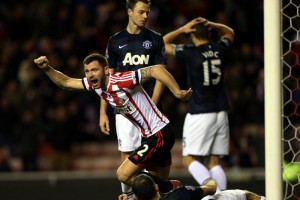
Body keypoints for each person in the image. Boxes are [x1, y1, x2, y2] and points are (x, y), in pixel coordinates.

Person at [33, 53, 191, 192]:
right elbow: (66, 82)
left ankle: (171, 187)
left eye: (94, 70)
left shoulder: (121, 80)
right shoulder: (95, 85)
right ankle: (192, 190)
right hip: (153, 136)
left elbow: (157, 69)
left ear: (106, 70)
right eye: (87, 71)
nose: (90, 75)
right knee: (158, 192)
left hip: (159, 134)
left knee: (123, 174)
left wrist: (177, 92)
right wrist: (47, 69)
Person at [100, 0, 167, 198]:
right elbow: (107, 80)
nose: (146, 16)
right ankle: (129, 197)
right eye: (141, 12)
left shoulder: (156, 39)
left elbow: (161, 75)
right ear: (129, 12)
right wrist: (103, 111)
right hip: (124, 110)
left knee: (152, 161)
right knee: (128, 157)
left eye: (147, 12)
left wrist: (152, 105)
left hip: (151, 110)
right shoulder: (115, 41)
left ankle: (156, 194)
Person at [163, 17, 235, 193]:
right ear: (210, 33)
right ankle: (224, 197)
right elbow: (229, 33)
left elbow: (162, 43)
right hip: (220, 112)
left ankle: (210, 189)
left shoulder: (190, 52)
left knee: (189, 159)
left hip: (200, 113)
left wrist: (182, 29)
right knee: (213, 160)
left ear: (192, 34)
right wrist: (214, 24)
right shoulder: (219, 48)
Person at [118, 173, 265, 200]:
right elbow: (211, 188)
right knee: (245, 195)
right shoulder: (179, 195)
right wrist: (209, 180)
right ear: (156, 187)